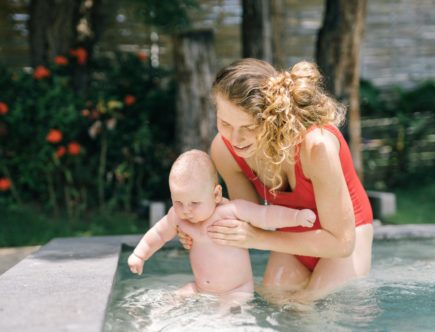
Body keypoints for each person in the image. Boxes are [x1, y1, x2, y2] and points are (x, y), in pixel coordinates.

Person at [177, 59, 374, 304]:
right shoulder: (224, 150)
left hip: (345, 235)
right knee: (278, 306)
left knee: (323, 311)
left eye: (249, 127)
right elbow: (246, 217)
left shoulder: (317, 147)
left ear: (274, 118)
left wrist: (257, 238)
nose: (235, 138)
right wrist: (199, 226)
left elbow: (342, 243)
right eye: (225, 123)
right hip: (291, 235)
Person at [128, 149, 316, 308]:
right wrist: (140, 254)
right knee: (171, 301)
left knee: (225, 318)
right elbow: (159, 233)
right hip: (200, 288)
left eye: (194, 203)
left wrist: (296, 217)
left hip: (237, 290)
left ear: (216, 194)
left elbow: (265, 216)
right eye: (178, 202)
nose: (186, 210)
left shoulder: (232, 211)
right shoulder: (178, 217)